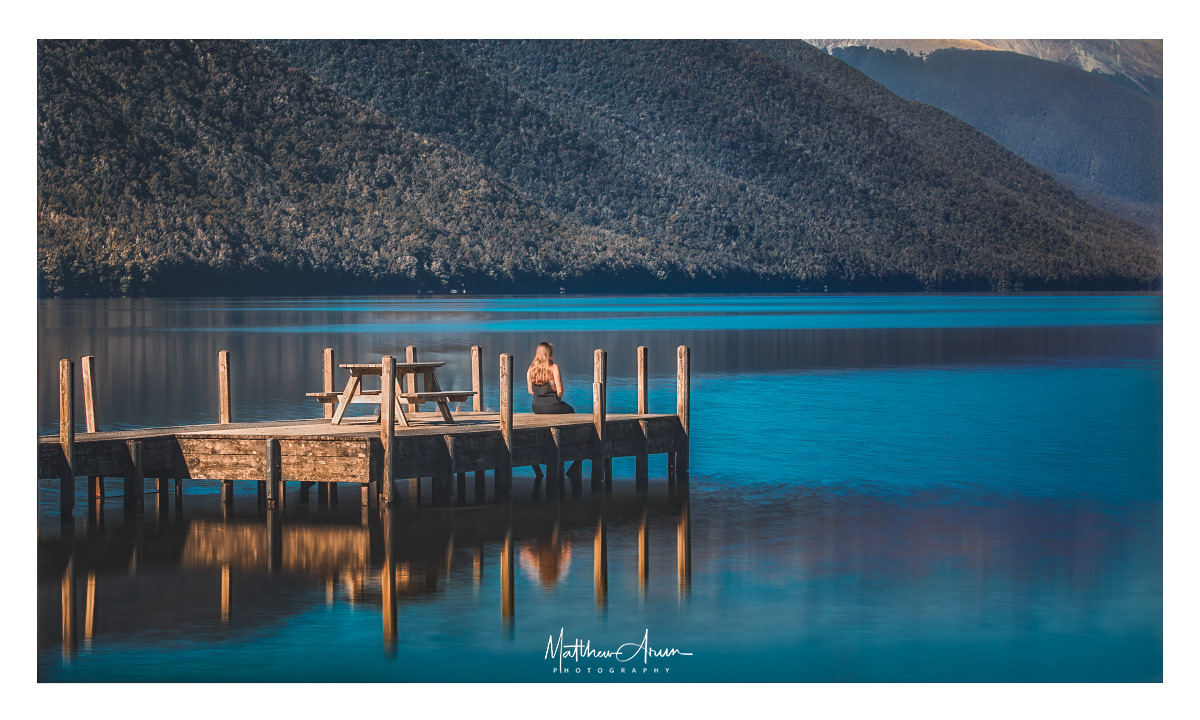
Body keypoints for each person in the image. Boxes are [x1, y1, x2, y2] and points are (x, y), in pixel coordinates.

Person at [527, 341, 574, 414]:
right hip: (552, 405)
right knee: (570, 409)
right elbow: (560, 391)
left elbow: (530, 391)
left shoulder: (531, 368)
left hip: (536, 407)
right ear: (549, 353)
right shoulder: (554, 367)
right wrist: (557, 399)